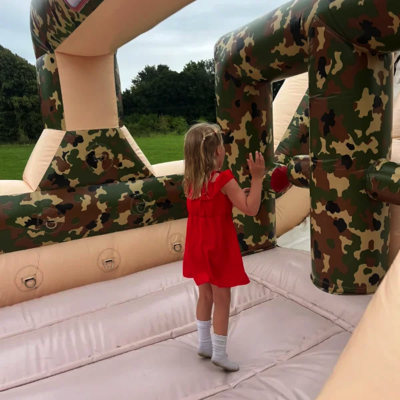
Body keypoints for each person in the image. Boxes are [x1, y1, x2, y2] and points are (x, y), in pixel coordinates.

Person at [183, 122, 265, 372]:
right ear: (218, 151)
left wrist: (236, 195)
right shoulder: (224, 179)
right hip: (218, 247)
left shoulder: (190, 182)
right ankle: (219, 352)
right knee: (222, 298)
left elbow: (213, 202)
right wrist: (258, 178)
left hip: (196, 246)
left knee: (205, 295)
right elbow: (251, 208)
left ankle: (204, 344)